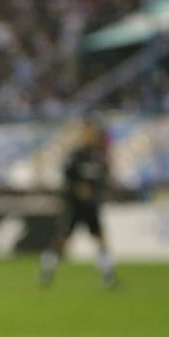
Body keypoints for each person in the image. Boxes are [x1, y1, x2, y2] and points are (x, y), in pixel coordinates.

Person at [39, 119, 117, 288]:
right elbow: (66, 178)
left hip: (91, 206)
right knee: (60, 240)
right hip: (74, 206)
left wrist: (94, 191)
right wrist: (77, 189)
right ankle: (46, 273)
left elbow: (104, 179)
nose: (89, 136)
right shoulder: (75, 155)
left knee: (101, 239)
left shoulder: (100, 156)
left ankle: (108, 276)